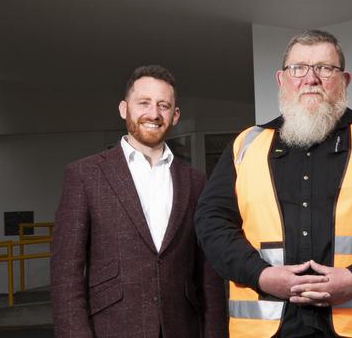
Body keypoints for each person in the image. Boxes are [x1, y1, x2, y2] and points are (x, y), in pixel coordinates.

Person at [194, 29, 352, 337]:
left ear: (344, 80)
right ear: (282, 79)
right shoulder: (246, 145)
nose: (311, 79)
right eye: (299, 69)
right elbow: (211, 223)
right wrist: (261, 275)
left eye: (324, 68)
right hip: (272, 328)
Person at [51, 65, 228, 338]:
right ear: (124, 109)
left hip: (183, 328)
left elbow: (208, 274)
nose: (154, 114)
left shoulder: (195, 181)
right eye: (143, 103)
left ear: (175, 115)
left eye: (163, 105)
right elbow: (66, 273)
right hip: (111, 329)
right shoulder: (85, 175)